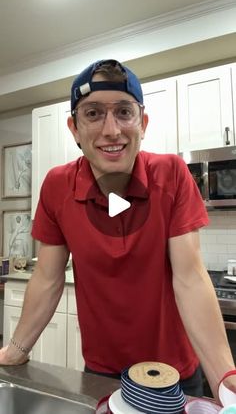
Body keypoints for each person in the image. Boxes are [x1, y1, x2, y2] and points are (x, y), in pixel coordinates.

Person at [0, 59, 235, 401]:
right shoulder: (56, 186)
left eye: (124, 112)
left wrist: (225, 377)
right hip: (102, 372)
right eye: (93, 113)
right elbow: (48, 278)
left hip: (176, 374)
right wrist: (17, 350)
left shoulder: (171, 174)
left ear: (143, 122)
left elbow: (189, 278)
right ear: (74, 128)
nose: (112, 130)